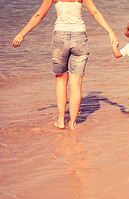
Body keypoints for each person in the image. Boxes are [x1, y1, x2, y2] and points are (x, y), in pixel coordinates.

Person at [12, 0, 119, 129]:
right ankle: (73, 124)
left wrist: (22, 34)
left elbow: (39, 16)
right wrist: (110, 32)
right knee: (76, 84)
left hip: (60, 38)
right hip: (79, 38)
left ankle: (61, 121)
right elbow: (95, 13)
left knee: (61, 81)